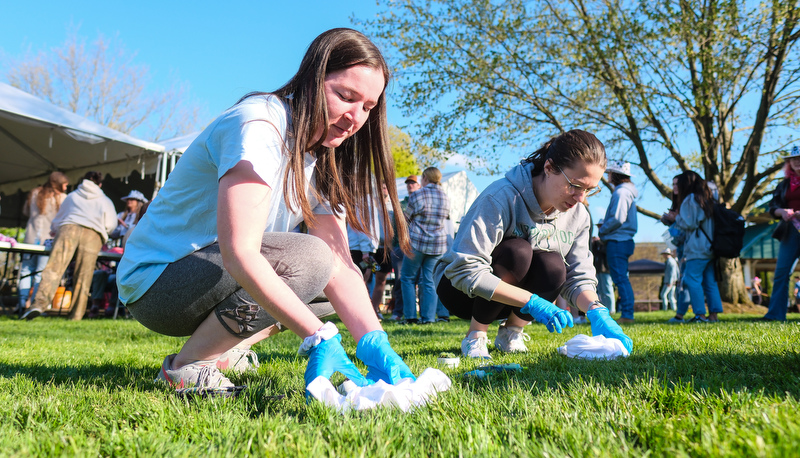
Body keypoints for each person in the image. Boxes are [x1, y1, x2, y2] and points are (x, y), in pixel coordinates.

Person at [116, 28, 415, 395]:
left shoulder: (322, 154)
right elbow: (240, 252)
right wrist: (318, 338)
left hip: (210, 276)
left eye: (368, 107)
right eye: (345, 96)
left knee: (327, 287)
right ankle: (189, 367)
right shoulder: (259, 124)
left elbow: (341, 264)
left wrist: (375, 342)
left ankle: (226, 349)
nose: (355, 117)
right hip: (159, 284)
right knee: (310, 260)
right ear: (312, 79)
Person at [435, 130, 632, 359]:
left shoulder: (579, 215)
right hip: (461, 293)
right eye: (575, 185)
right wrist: (531, 300)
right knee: (518, 251)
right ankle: (476, 336)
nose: (580, 198)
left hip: (517, 301)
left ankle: (511, 333)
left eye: (589, 190)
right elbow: (464, 268)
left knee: (554, 264)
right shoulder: (501, 197)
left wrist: (597, 311)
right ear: (549, 168)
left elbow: (577, 274)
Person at [21, 171, 117, 320]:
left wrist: (55, 230)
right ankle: (76, 315)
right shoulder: (105, 200)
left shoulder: (72, 196)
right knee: (83, 276)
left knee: (54, 269)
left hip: (68, 228)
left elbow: (57, 220)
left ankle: (38, 305)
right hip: (92, 234)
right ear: (100, 184)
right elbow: (111, 224)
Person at [661, 170, 723, 323]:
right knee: (710, 281)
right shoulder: (708, 198)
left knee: (691, 279)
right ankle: (713, 315)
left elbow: (690, 223)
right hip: (710, 246)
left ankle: (700, 315)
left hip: (697, 247)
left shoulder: (690, 199)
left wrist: (676, 218)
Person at [400, 167, 450, 324]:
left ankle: (410, 317)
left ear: (425, 178)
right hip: (437, 245)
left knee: (407, 278)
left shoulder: (417, 194)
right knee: (429, 281)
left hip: (417, 242)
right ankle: (428, 318)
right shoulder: (445, 197)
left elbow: (405, 219)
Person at [17, 171, 69, 313]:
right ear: (58, 183)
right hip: (47, 239)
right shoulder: (62, 198)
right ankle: (33, 305)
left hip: (30, 237)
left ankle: (21, 302)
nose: (65, 188)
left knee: (26, 270)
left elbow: (26, 212)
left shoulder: (35, 193)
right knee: (41, 272)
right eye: (64, 185)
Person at [598, 161, 638, 323]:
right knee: (622, 278)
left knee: (620, 278)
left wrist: (602, 230)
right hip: (623, 240)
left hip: (618, 240)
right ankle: (627, 313)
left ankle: (627, 314)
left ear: (616, 174)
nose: (607, 175)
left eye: (610, 172)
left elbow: (617, 218)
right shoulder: (625, 192)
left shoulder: (621, 192)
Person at [763, 146, 800, 321]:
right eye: (794, 159)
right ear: (789, 163)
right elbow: (773, 207)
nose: (797, 162)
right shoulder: (784, 185)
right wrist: (782, 212)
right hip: (790, 231)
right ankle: (775, 315)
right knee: (782, 272)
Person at [389, 175, 422, 321]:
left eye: (413, 183)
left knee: (421, 281)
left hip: (420, 247)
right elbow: (395, 227)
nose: (410, 185)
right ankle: (398, 312)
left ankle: (423, 314)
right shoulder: (400, 205)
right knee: (401, 280)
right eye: (408, 183)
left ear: (419, 185)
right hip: (400, 247)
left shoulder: (423, 202)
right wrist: (394, 246)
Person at [591, 219, 616, 313]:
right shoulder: (599, 240)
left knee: (608, 289)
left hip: (606, 269)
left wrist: (600, 243)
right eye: (598, 226)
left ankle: (611, 310)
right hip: (598, 269)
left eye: (601, 225)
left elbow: (608, 252)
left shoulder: (608, 239)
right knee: (601, 291)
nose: (599, 227)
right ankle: (606, 310)